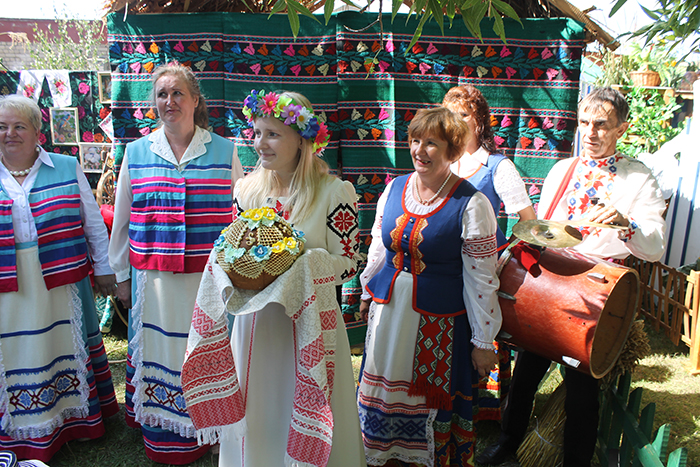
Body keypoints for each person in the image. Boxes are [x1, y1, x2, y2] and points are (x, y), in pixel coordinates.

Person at [477, 87, 667, 467]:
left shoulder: (638, 178)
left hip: (597, 289)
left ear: (622, 129)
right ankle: (508, 444)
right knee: (526, 374)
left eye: (601, 124)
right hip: (552, 280)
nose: (590, 132)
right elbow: (545, 227)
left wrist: (626, 225)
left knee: (582, 391)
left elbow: (655, 246)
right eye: (584, 123)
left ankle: (575, 462)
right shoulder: (563, 170)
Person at [182, 89, 365, 466]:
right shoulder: (246, 191)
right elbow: (236, 252)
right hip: (258, 328)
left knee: (311, 408)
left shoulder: (334, 193)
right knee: (261, 415)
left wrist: (304, 264)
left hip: (311, 327)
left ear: (301, 140)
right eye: (256, 133)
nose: (259, 143)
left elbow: (348, 263)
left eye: (272, 134)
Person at [108, 63, 244, 464]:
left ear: (195, 100)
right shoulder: (137, 152)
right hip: (154, 281)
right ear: (154, 103)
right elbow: (123, 218)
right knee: (163, 350)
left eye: (178, 93)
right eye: (162, 94)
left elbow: (240, 215)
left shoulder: (224, 151)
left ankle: (212, 429)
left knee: (206, 349)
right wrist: (120, 276)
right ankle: (164, 429)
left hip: (208, 281)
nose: (170, 101)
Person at [358, 106, 502, 466]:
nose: (419, 150)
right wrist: (367, 290)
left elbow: (482, 278)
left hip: (439, 324)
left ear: (452, 151)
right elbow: (378, 246)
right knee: (382, 391)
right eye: (415, 140)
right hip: (389, 314)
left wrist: (483, 341)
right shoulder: (395, 188)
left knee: (425, 402)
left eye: (431, 143)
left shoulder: (472, 203)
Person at [0, 94, 119, 462]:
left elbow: (93, 222)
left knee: (61, 346)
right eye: (2, 127)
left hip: (61, 280)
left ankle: (74, 421)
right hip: (8, 287)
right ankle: (22, 428)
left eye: (19, 126)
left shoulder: (66, 167)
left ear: (37, 130)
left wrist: (104, 268)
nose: (9, 133)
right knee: (16, 351)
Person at [442, 85, 536, 421]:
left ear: (479, 121)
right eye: (450, 114)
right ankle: (445, 401)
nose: (456, 121)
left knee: (479, 329)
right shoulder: (440, 162)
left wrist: (501, 258)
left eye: (463, 114)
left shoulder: (497, 166)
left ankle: (483, 408)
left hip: (481, 270)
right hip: (445, 270)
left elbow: (528, 221)